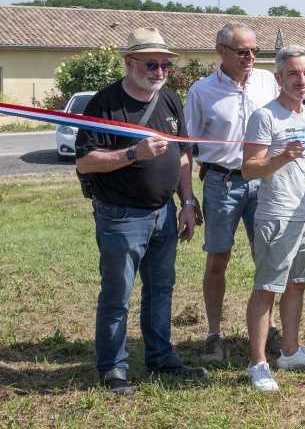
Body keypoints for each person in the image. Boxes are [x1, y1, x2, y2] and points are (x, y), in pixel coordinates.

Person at [75, 27, 207, 395]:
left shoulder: (169, 99)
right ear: (129, 62)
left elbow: (183, 154)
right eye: (152, 63)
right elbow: (86, 162)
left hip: (164, 213)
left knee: (161, 289)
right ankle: (112, 369)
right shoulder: (104, 104)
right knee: (118, 294)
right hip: (121, 216)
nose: (160, 71)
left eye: (165, 64)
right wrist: (134, 153)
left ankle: (161, 358)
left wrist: (187, 202)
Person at [185, 21, 280, 362]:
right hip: (221, 182)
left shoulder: (269, 82)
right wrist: (187, 197)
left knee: (267, 255)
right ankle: (214, 334)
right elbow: (186, 148)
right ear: (221, 52)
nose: (250, 57)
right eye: (243, 51)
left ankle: (269, 330)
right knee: (218, 257)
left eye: (255, 50)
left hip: (265, 181)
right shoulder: (201, 91)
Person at [241, 45, 305, 391]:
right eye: (293, 73)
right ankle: (258, 362)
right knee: (267, 289)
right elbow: (249, 170)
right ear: (279, 77)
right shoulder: (265, 117)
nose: (301, 80)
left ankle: (290, 351)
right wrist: (280, 157)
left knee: (297, 285)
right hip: (276, 217)